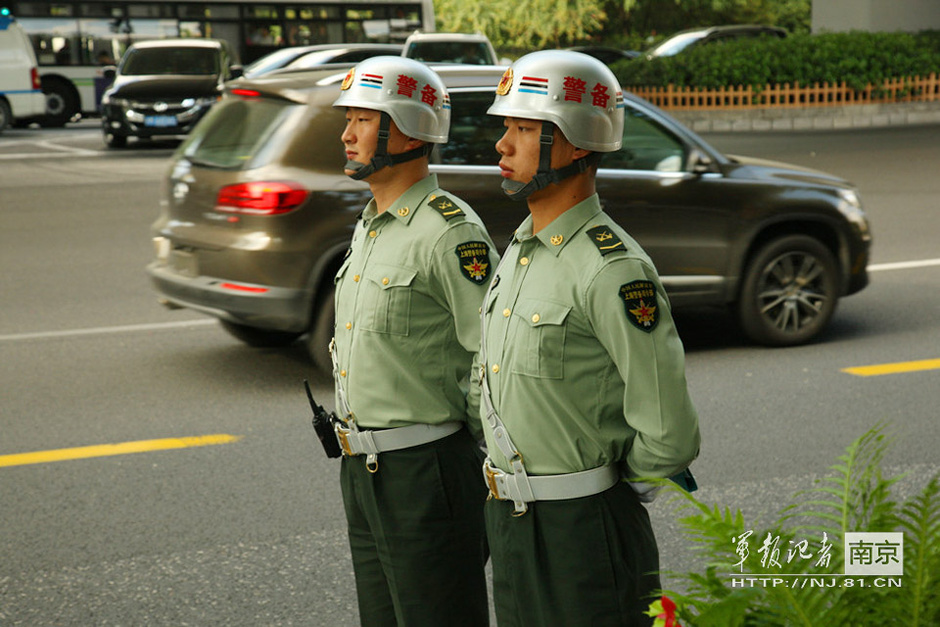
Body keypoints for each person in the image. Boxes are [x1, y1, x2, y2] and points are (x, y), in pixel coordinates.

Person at [476, 50, 701, 626]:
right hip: (509, 520)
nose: (503, 145)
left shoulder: (611, 268)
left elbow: (668, 431)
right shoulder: (521, 251)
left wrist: (604, 485)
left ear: (576, 143)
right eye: (506, 127)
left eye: (524, 129)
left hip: (583, 528)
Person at [329, 56, 496, 627]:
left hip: (426, 473)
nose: (346, 133)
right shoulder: (371, 224)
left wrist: (478, 460)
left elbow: (492, 358)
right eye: (347, 117)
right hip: (362, 470)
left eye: (363, 119)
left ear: (406, 127)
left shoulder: (449, 230)